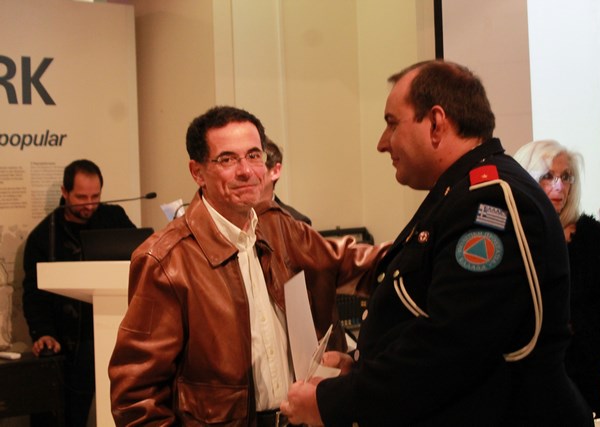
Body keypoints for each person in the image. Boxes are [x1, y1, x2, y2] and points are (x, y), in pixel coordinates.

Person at [280, 60, 593, 426]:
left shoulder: (490, 201)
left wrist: (332, 402)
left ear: (436, 123)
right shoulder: (459, 195)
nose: (382, 143)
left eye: (392, 123)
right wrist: (361, 368)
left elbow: (454, 347)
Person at [108, 106, 385, 426]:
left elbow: (358, 263)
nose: (246, 171)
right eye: (227, 159)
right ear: (197, 172)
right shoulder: (166, 260)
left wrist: (426, 245)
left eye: (254, 156)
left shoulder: (280, 227)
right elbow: (136, 397)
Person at [514, 139, 600, 424]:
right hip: (522, 382)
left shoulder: (593, 237)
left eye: (565, 177)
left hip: (580, 378)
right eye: (548, 176)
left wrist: (573, 330)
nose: (559, 186)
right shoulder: (510, 236)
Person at [22, 159, 136, 427]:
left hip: (114, 332)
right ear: (65, 192)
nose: (89, 204)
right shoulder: (44, 236)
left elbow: (139, 257)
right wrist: (43, 332)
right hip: (70, 343)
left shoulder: (114, 218)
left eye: (95, 196)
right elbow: (34, 293)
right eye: (81, 197)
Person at [262, 137, 313, 225]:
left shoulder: (296, 222)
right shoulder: (236, 217)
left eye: (256, 160)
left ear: (275, 171)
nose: (246, 171)